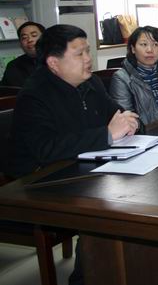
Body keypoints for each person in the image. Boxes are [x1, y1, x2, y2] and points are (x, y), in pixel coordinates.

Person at [7, 24, 139, 285]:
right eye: (79, 54)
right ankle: (86, 278)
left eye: (88, 51)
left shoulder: (90, 83)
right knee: (107, 209)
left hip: (83, 169)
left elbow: (115, 114)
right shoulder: (34, 96)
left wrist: (131, 122)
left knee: (134, 195)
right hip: (39, 182)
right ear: (53, 63)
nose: (88, 59)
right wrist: (107, 134)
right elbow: (46, 149)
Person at [110, 26, 158, 126]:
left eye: (155, 45)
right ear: (133, 49)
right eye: (144, 44)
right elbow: (126, 120)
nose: (150, 50)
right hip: (145, 132)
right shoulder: (121, 78)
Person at [1, 21, 45, 87]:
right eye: (24, 38)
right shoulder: (13, 66)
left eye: (34, 35)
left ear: (45, 38)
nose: (30, 40)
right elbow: (6, 91)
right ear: (20, 44)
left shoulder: (58, 61)